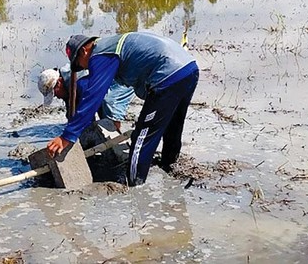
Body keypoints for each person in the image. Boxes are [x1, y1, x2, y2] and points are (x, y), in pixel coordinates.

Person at [46, 32, 199, 186]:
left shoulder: (100, 55)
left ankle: (135, 184)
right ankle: (168, 164)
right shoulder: (110, 45)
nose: (83, 67)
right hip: (188, 68)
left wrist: (67, 136)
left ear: (84, 51)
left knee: (142, 136)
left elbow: (93, 97)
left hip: (167, 74)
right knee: (173, 124)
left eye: (79, 63)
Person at [37, 63, 135, 132]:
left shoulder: (80, 82)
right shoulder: (67, 82)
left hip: (121, 79)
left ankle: (115, 142)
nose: (57, 97)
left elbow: (88, 111)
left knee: (108, 107)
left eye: (55, 93)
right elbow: (72, 107)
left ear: (58, 83)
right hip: (101, 84)